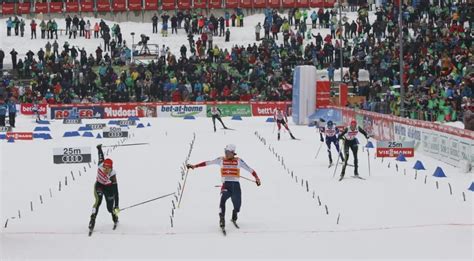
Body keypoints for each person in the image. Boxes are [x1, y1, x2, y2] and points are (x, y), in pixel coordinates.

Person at [186, 144, 261, 229]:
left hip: (236, 186)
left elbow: (250, 170)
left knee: (238, 206)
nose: (226, 153)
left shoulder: (239, 161)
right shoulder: (220, 160)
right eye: (225, 151)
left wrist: (257, 178)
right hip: (226, 185)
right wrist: (195, 166)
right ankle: (222, 219)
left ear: (233, 153)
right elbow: (208, 163)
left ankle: (235, 213)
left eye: (227, 152)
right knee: (222, 200)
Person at [88, 144, 120, 232]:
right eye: (104, 167)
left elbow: (116, 192)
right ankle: (92, 220)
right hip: (99, 185)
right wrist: (99, 148)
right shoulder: (100, 165)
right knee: (98, 201)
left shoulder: (113, 176)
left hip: (109, 189)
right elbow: (101, 155)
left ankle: (115, 217)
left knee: (110, 209)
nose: (106, 170)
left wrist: (116, 206)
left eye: (108, 168)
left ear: (111, 168)